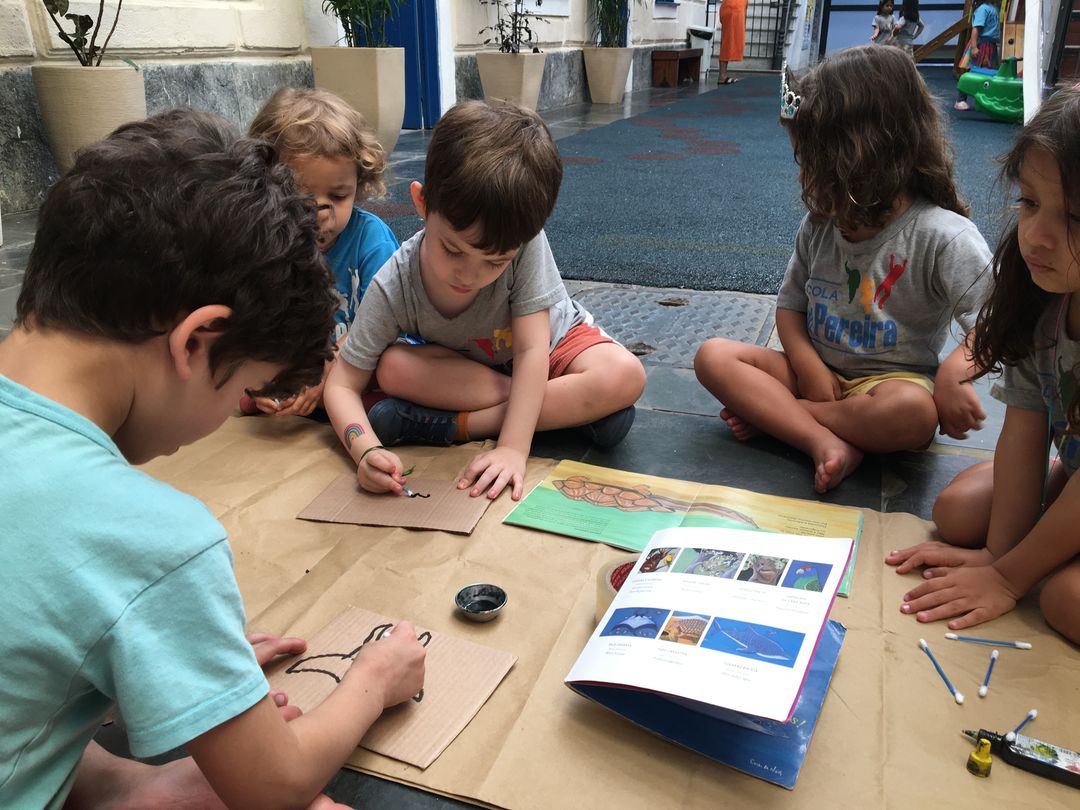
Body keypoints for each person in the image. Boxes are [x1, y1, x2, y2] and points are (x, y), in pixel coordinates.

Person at [0, 110, 426, 808]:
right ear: (197, 342)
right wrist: (375, 681)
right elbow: (275, 785)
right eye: (244, 389)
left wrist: (152, 705)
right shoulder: (149, 537)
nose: (235, 409)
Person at [694, 45, 992, 493]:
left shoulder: (943, 234)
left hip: (891, 385)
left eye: (814, 163)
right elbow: (790, 308)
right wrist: (807, 366)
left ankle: (784, 419)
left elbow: (995, 319)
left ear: (864, 156)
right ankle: (823, 440)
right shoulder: (821, 224)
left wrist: (954, 373)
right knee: (713, 356)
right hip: (813, 373)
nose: (802, 178)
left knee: (914, 415)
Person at [323, 100, 646, 502]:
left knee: (624, 375)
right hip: (473, 374)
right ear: (422, 202)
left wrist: (512, 448)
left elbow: (532, 351)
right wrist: (365, 450)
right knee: (392, 368)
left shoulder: (524, 241)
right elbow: (342, 384)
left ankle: (456, 426)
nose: (468, 275)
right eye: (452, 249)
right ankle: (569, 411)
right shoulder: (396, 282)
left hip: (553, 346)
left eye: (495, 262)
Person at [886, 86, 1080, 644]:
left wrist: (1009, 577)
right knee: (958, 514)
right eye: (1029, 202)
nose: (1035, 236)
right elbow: (1024, 429)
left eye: (1075, 217)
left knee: (1065, 600)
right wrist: (998, 555)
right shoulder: (1043, 303)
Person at [241, 87, 400, 417]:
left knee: (394, 372)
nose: (320, 216)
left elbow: (384, 324)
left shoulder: (372, 240)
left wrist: (332, 367)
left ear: (359, 183)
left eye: (339, 196)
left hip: (362, 361)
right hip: (305, 361)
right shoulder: (269, 242)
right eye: (301, 199)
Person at [955, 0, 1002, 111]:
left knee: (989, 72)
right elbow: (976, 29)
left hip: (990, 45)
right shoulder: (983, 9)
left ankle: (984, 100)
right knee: (971, 72)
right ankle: (960, 100)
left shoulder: (993, 8)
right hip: (981, 45)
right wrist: (974, 47)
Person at [717, 0, 748, 85]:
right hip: (733, 8)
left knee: (728, 41)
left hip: (735, 7)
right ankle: (722, 76)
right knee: (727, 42)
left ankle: (723, 75)